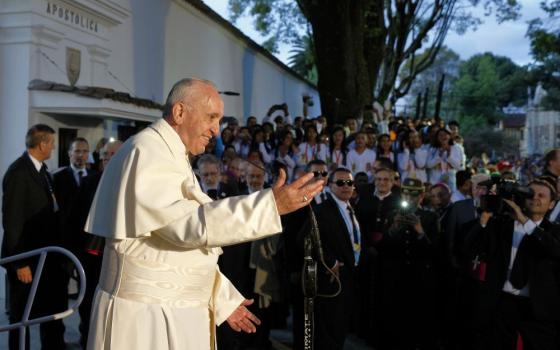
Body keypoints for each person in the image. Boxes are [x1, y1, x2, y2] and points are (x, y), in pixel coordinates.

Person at [84, 78, 323, 350]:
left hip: (169, 312)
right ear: (180, 112)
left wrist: (222, 299)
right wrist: (270, 207)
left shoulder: (171, 154)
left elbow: (166, 255)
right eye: (211, 117)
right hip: (147, 322)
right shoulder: (148, 151)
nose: (216, 130)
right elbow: (185, 226)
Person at [465, 177, 560, 349]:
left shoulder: (554, 232)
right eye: (530, 193)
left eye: (541, 195)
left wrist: (525, 221)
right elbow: (470, 246)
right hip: (499, 304)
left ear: (552, 204)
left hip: (537, 309)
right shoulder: (501, 224)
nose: (535, 198)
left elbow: (554, 249)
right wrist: (485, 216)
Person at [1, 124, 66, 349]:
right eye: (52, 143)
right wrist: (20, 262)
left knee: (48, 311)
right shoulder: (19, 173)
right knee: (21, 317)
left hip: (45, 258)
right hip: (26, 261)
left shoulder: (42, 171)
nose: (54, 147)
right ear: (42, 144)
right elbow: (13, 220)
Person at [69, 140, 122, 347]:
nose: (107, 158)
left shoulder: (135, 183)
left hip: (121, 259)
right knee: (89, 307)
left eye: (112, 154)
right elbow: (75, 222)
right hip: (92, 259)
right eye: (105, 154)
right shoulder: (89, 183)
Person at [304, 168, 361, 349]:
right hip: (330, 278)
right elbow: (305, 240)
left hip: (350, 277)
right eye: (340, 183)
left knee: (340, 329)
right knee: (329, 330)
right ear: (330, 186)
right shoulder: (322, 210)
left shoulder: (352, 208)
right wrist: (330, 262)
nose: (346, 186)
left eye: (349, 183)